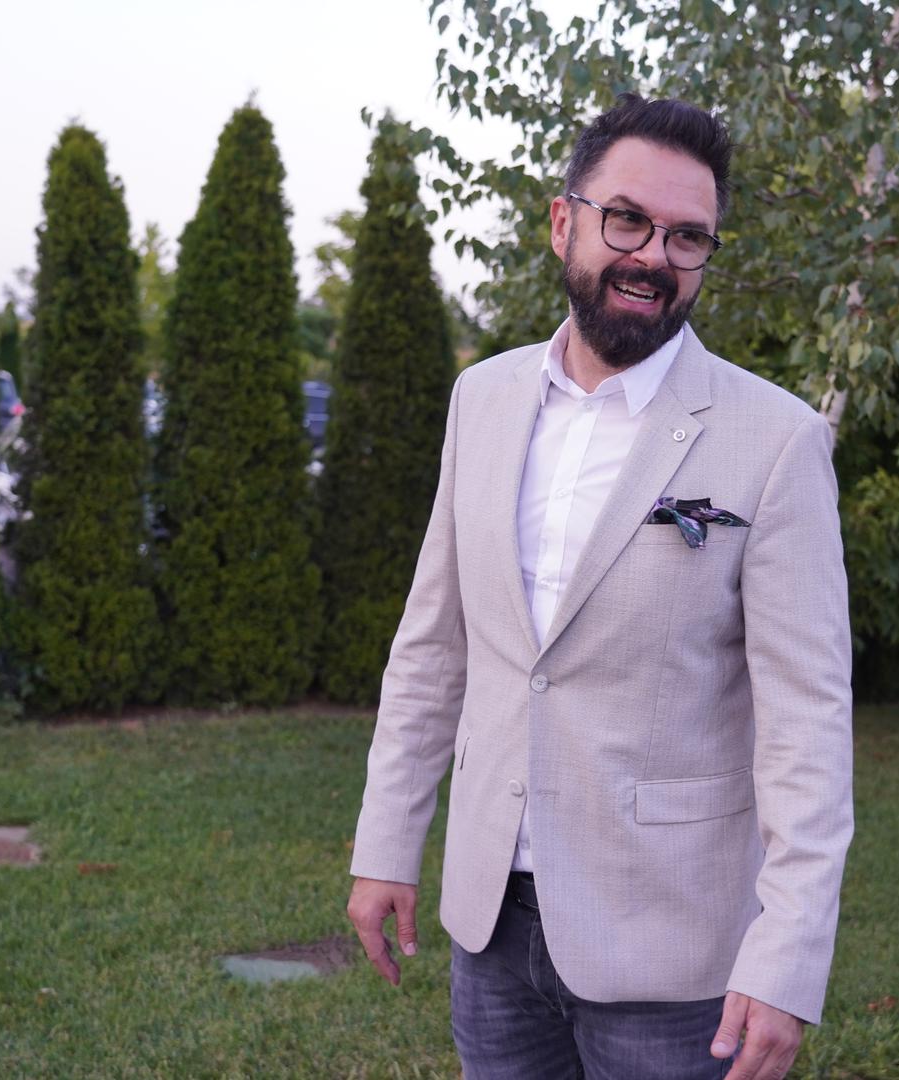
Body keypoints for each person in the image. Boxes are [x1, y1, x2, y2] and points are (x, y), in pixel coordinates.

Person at [346, 93, 853, 1080]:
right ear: (563, 222)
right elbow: (434, 647)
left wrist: (788, 956)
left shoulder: (777, 440)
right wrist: (386, 844)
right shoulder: (482, 399)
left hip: (672, 949)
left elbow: (808, 722)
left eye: (687, 236)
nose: (653, 256)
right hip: (492, 927)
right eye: (627, 219)